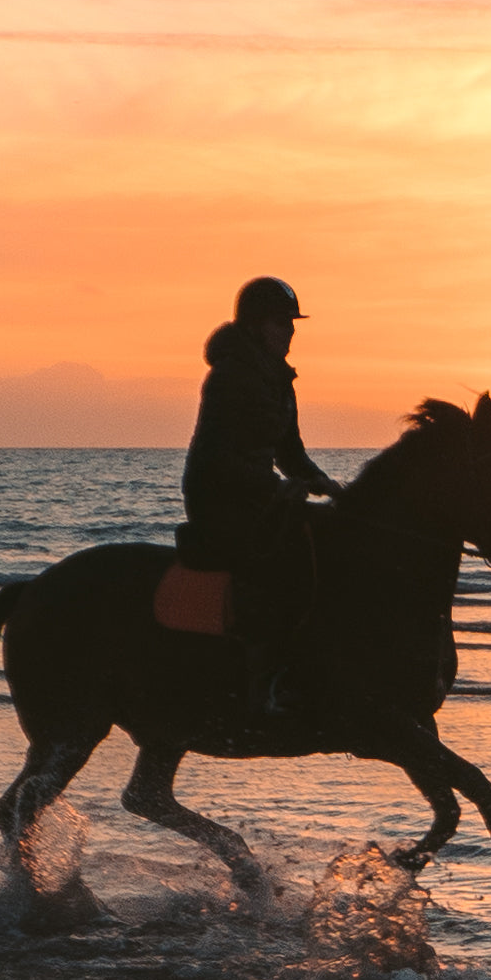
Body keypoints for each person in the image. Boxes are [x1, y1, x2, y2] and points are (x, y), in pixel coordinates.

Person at [180, 276, 342, 715]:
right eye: (282, 323)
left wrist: (327, 485)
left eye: (292, 324)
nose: (290, 332)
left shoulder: (279, 380)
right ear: (255, 327)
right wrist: (280, 489)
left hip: (261, 495)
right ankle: (262, 676)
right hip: (219, 497)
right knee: (284, 559)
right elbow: (222, 459)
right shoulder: (230, 377)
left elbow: (291, 454)